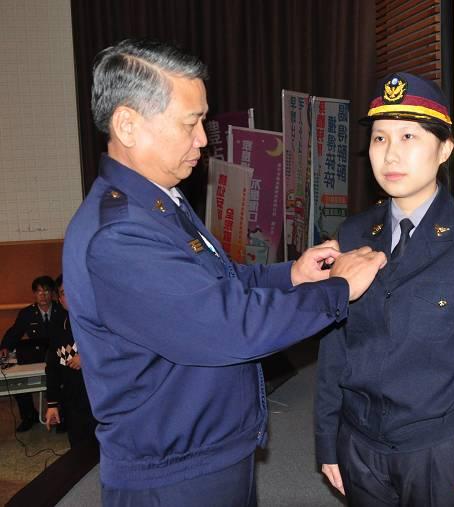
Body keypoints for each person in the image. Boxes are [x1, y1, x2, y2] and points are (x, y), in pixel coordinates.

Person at [63, 38, 386, 507]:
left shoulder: (156, 202)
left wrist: (291, 276)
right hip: (175, 477)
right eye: (190, 123)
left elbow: (220, 282)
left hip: (208, 455)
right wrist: (339, 289)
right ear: (128, 125)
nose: (201, 139)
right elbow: (230, 325)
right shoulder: (119, 237)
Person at [315, 72, 454, 507]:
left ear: (445, 149)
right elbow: (335, 347)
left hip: (439, 448)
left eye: (409, 136)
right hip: (359, 442)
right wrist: (327, 439)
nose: (391, 154)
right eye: (380, 139)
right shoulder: (352, 233)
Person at [1, 275, 65, 432]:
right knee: (17, 382)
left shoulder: (62, 309)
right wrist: (4, 347)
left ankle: (62, 417)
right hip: (36, 357)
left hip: (59, 355)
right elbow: (15, 332)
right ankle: (29, 416)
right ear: (34, 294)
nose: (42, 295)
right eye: (38, 292)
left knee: (65, 381)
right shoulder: (27, 313)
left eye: (46, 291)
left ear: (53, 293)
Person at [45, 275, 98, 448]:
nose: (70, 296)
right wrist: (52, 404)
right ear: (60, 299)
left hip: (104, 402)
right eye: (63, 293)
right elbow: (52, 368)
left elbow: (121, 351)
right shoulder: (58, 329)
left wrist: (88, 357)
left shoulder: (101, 322)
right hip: (75, 404)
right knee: (80, 453)